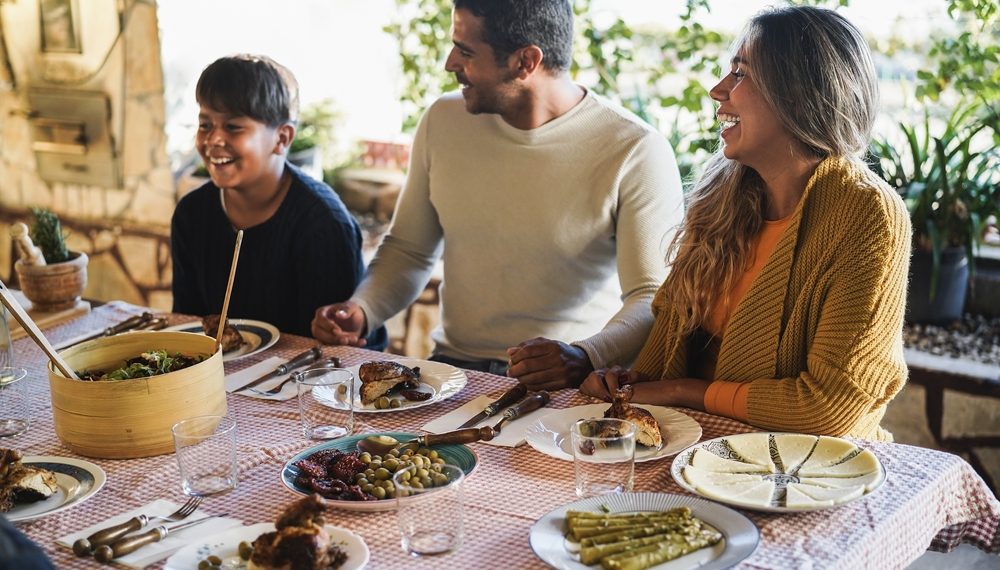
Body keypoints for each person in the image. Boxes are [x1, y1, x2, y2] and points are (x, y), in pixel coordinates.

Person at [311, 0, 683, 389]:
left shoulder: (634, 147)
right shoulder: (442, 120)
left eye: (466, 51)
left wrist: (586, 355)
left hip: (569, 381)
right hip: (453, 372)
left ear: (526, 61)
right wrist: (363, 309)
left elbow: (651, 297)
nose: (450, 62)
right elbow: (409, 249)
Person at [580, 6, 911, 441]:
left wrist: (684, 391)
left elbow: (830, 410)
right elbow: (663, 356)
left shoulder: (868, 215)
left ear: (797, 94)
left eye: (739, 74)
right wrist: (622, 383)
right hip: (697, 449)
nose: (718, 91)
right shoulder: (718, 198)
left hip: (812, 471)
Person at [171, 55, 386, 347]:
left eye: (233, 127)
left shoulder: (322, 224)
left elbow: (340, 350)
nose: (214, 139)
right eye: (205, 124)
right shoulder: (191, 214)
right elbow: (188, 323)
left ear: (282, 138)